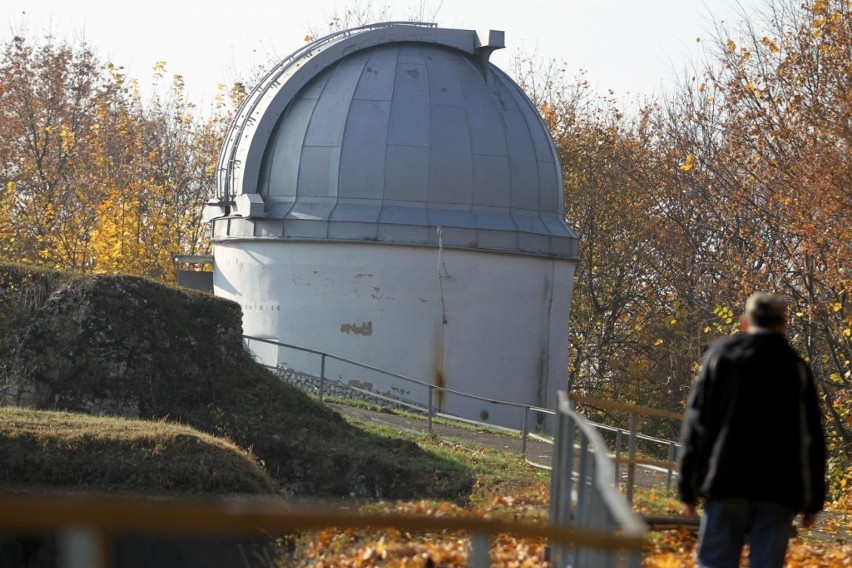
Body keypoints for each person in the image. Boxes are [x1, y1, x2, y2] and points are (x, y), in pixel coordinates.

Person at [678, 292, 826, 568]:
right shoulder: (795, 367)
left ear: (745, 322)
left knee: (714, 562)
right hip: (779, 488)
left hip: (725, 482)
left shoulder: (720, 357)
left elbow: (697, 424)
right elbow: (813, 439)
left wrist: (688, 488)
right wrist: (813, 499)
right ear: (783, 324)